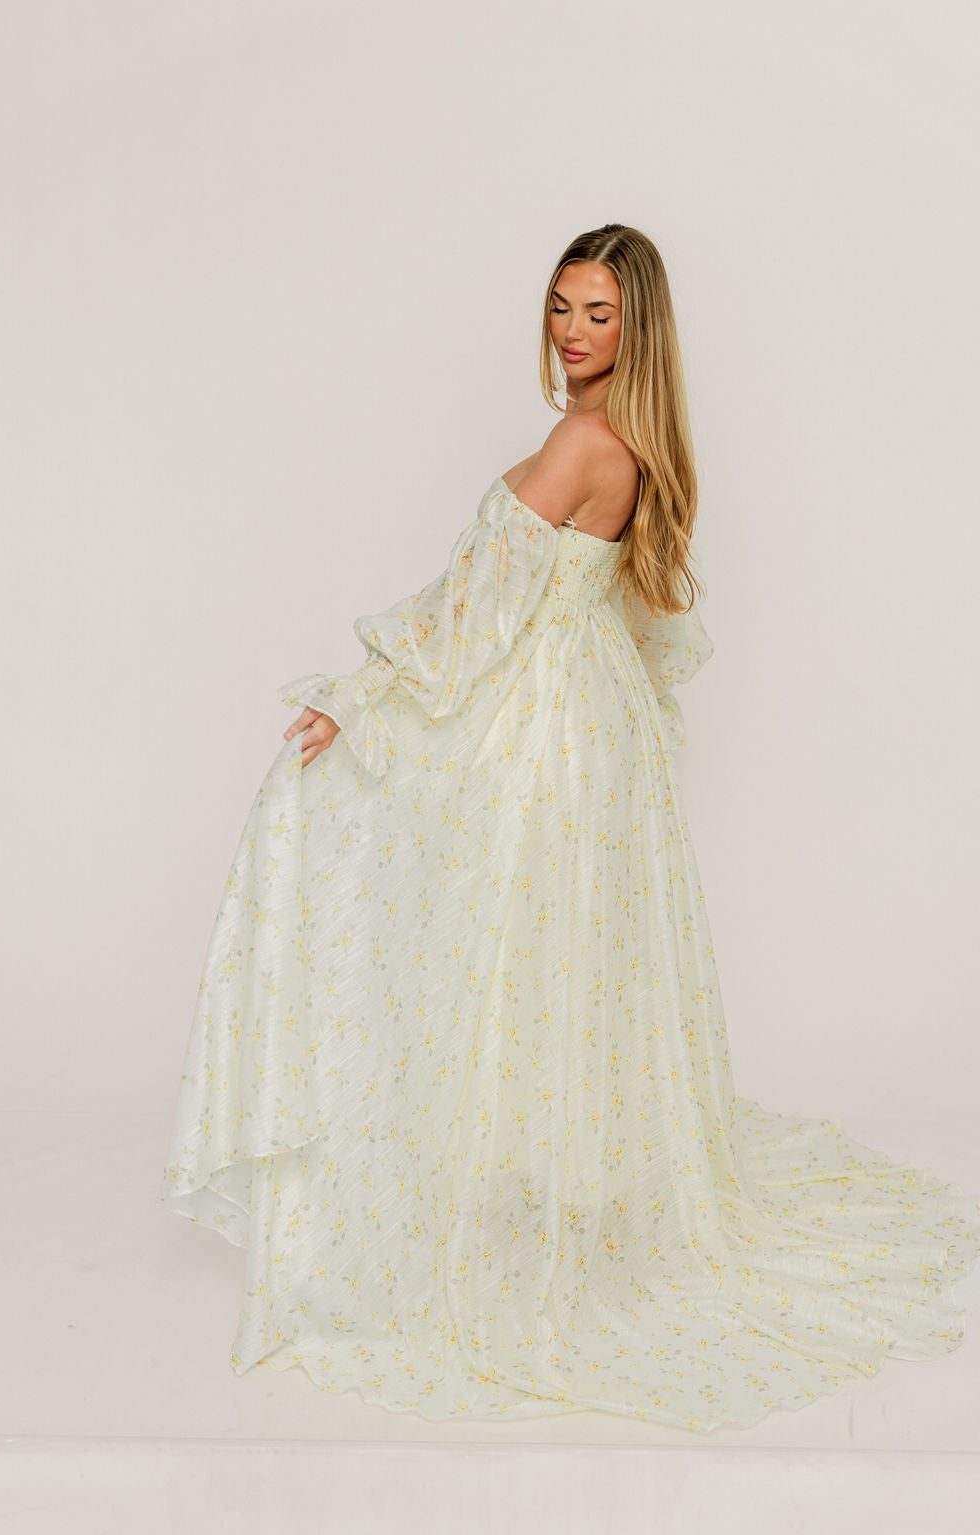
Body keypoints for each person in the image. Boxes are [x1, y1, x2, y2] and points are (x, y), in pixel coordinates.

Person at [157, 223, 980, 1432]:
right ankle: (553, 1188)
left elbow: (472, 609)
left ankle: (518, 1215)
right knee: (560, 959)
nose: (573, 332)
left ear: (637, 327)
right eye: (560, 306)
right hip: (593, 717)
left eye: (598, 313)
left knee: (502, 947)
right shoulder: (638, 442)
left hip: (543, 729)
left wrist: (357, 696)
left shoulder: (580, 442)